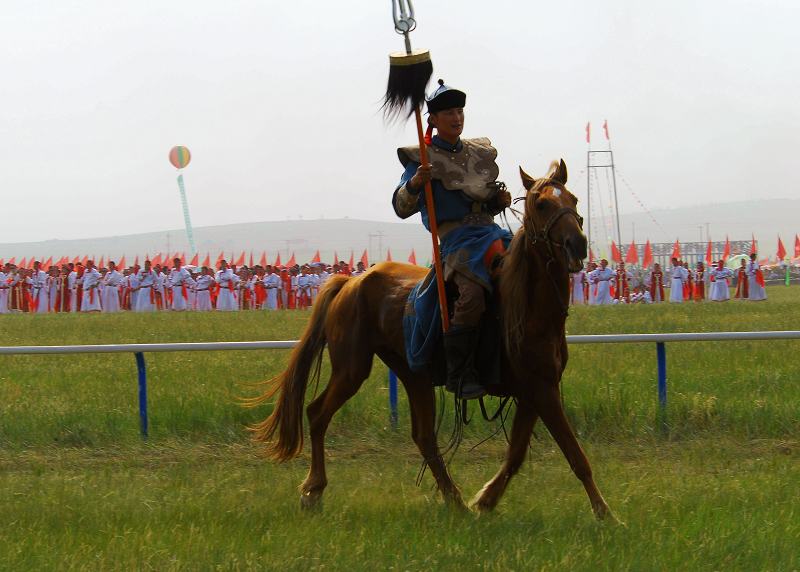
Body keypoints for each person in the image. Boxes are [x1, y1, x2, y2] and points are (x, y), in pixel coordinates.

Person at [392, 79, 513, 399]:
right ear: (433, 119)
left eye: (460, 110)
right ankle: (460, 372)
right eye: (448, 112)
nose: (457, 117)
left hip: (491, 233)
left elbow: (485, 199)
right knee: (472, 294)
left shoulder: (480, 152)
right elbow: (401, 207)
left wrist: (497, 202)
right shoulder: (421, 158)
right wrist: (416, 183)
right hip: (457, 243)